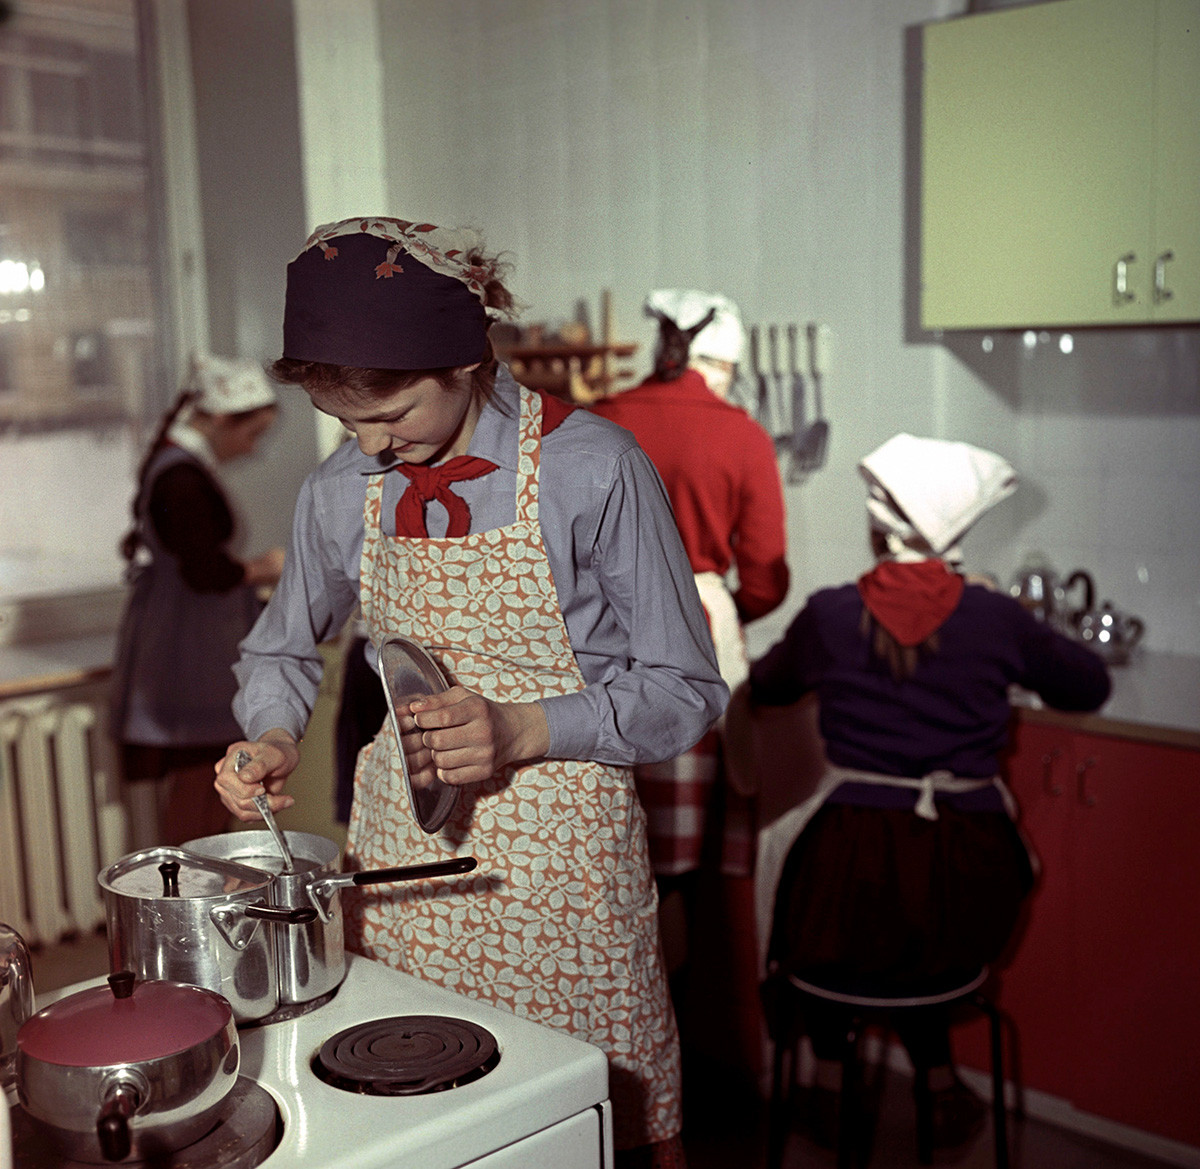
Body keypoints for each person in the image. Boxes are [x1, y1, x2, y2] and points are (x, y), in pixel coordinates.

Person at [212, 216, 728, 1168]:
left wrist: (526, 727)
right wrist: (273, 737)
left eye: (393, 416)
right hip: (402, 862)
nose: (372, 447)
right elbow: (281, 647)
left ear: (462, 362)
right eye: (347, 424)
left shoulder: (595, 469)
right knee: (418, 1121)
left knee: (595, 1122)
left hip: (564, 868)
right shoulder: (341, 487)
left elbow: (687, 690)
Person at [748, 433, 1111, 1151]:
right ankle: (939, 1084)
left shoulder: (829, 613)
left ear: (878, 527)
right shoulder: (994, 618)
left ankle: (825, 1083)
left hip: (844, 876)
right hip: (967, 886)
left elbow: (767, 685)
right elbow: (1088, 684)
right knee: (914, 911)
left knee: (832, 908)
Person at [589, 289, 789, 996]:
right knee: (685, 863)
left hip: (601, 636)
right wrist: (718, 597)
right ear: (723, 364)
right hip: (694, 634)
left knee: (616, 837)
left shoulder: (603, 418)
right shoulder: (741, 433)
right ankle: (685, 1026)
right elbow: (767, 572)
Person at [109, 354, 283, 846]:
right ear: (224, 420)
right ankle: (188, 894)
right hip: (188, 646)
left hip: (186, 635)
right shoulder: (180, 478)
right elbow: (204, 570)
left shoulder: (176, 465)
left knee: (207, 780)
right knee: (199, 777)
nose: (253, 448)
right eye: (253, 434)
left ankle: (203, 883)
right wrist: (263, 568)